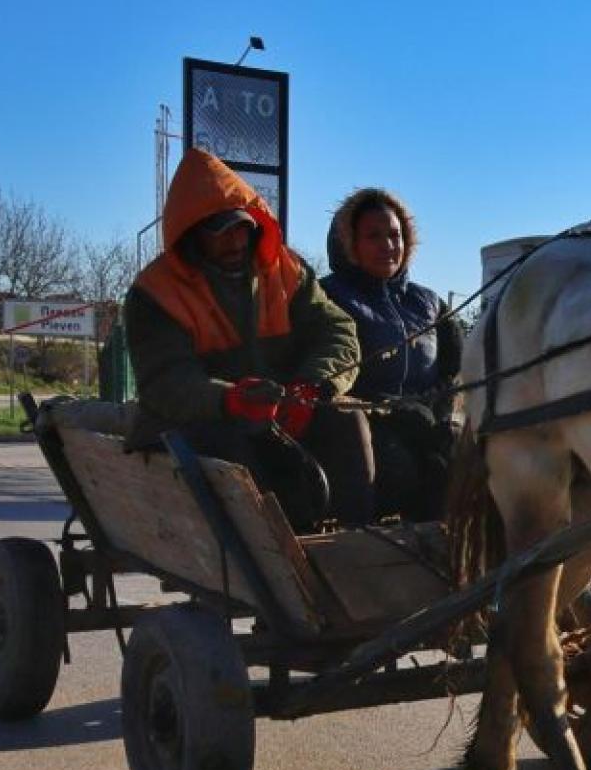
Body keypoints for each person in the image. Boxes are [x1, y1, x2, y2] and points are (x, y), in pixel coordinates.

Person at [126, 148, 377, 528]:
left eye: (241, 227)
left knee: (347, 422)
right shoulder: (155, 292)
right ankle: (273, 563)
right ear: (192, 234)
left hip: (280, 411)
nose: (235, 242)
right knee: (234, 452)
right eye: (220, 233)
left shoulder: (286, 270)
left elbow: (337, 331)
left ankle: (358, 543)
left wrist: (314, 384)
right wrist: (229, 399)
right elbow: (165, 381)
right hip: (197, 422)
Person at [320, 188, 462, 522]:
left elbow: (452, 369)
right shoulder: (329, 297)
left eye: (395, 235)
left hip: (425, 421)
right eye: (374, 236)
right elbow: (329, 366)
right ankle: (365, 549)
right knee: (401, 470)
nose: (388, 246)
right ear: (350, 243)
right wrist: (389, 412)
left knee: (464, 463)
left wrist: (436, 411)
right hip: (363, 428)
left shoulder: (428, 302)